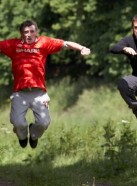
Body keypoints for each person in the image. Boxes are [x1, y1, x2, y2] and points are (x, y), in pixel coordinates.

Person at [0, 20, 91, 148]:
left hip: (39, 92)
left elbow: (65, 43)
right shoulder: (13, 45)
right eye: (26, 32)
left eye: (32, 31)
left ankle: (34, 134)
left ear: (36, 32)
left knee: (44, 122)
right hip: (20, 93)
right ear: (21, 34)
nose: (29, 35)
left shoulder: (43, 42)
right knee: (18, 123)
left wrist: (82, 48)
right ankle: (22, 135)